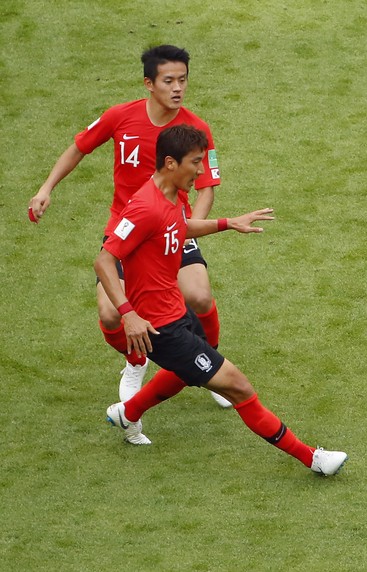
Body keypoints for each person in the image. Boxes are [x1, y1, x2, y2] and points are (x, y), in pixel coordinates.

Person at [98, 124, 348, 476]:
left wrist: (229, 223)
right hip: (161, 328)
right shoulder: (142, 207)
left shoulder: (170, 196)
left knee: (186, 372)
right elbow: (105, 260)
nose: (200, 170)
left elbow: (178, 227)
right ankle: (313, 459)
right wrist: (128, 314)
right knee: (239, 387)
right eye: (194, 162)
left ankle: (128, 413)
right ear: (170, 163)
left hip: (177, 310)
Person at [29, 45, 231, 407]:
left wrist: (189, 224)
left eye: (183, 80)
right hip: (127, 231)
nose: (178, 88)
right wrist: (46, 189)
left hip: (171, 230)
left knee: (199, 296)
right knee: (110, 315)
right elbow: (78, 148)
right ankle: (136, 361)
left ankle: (211, 363)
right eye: (168, 81)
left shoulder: (197, 128)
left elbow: (207, 186)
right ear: (148, 83)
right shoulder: (119, 116)